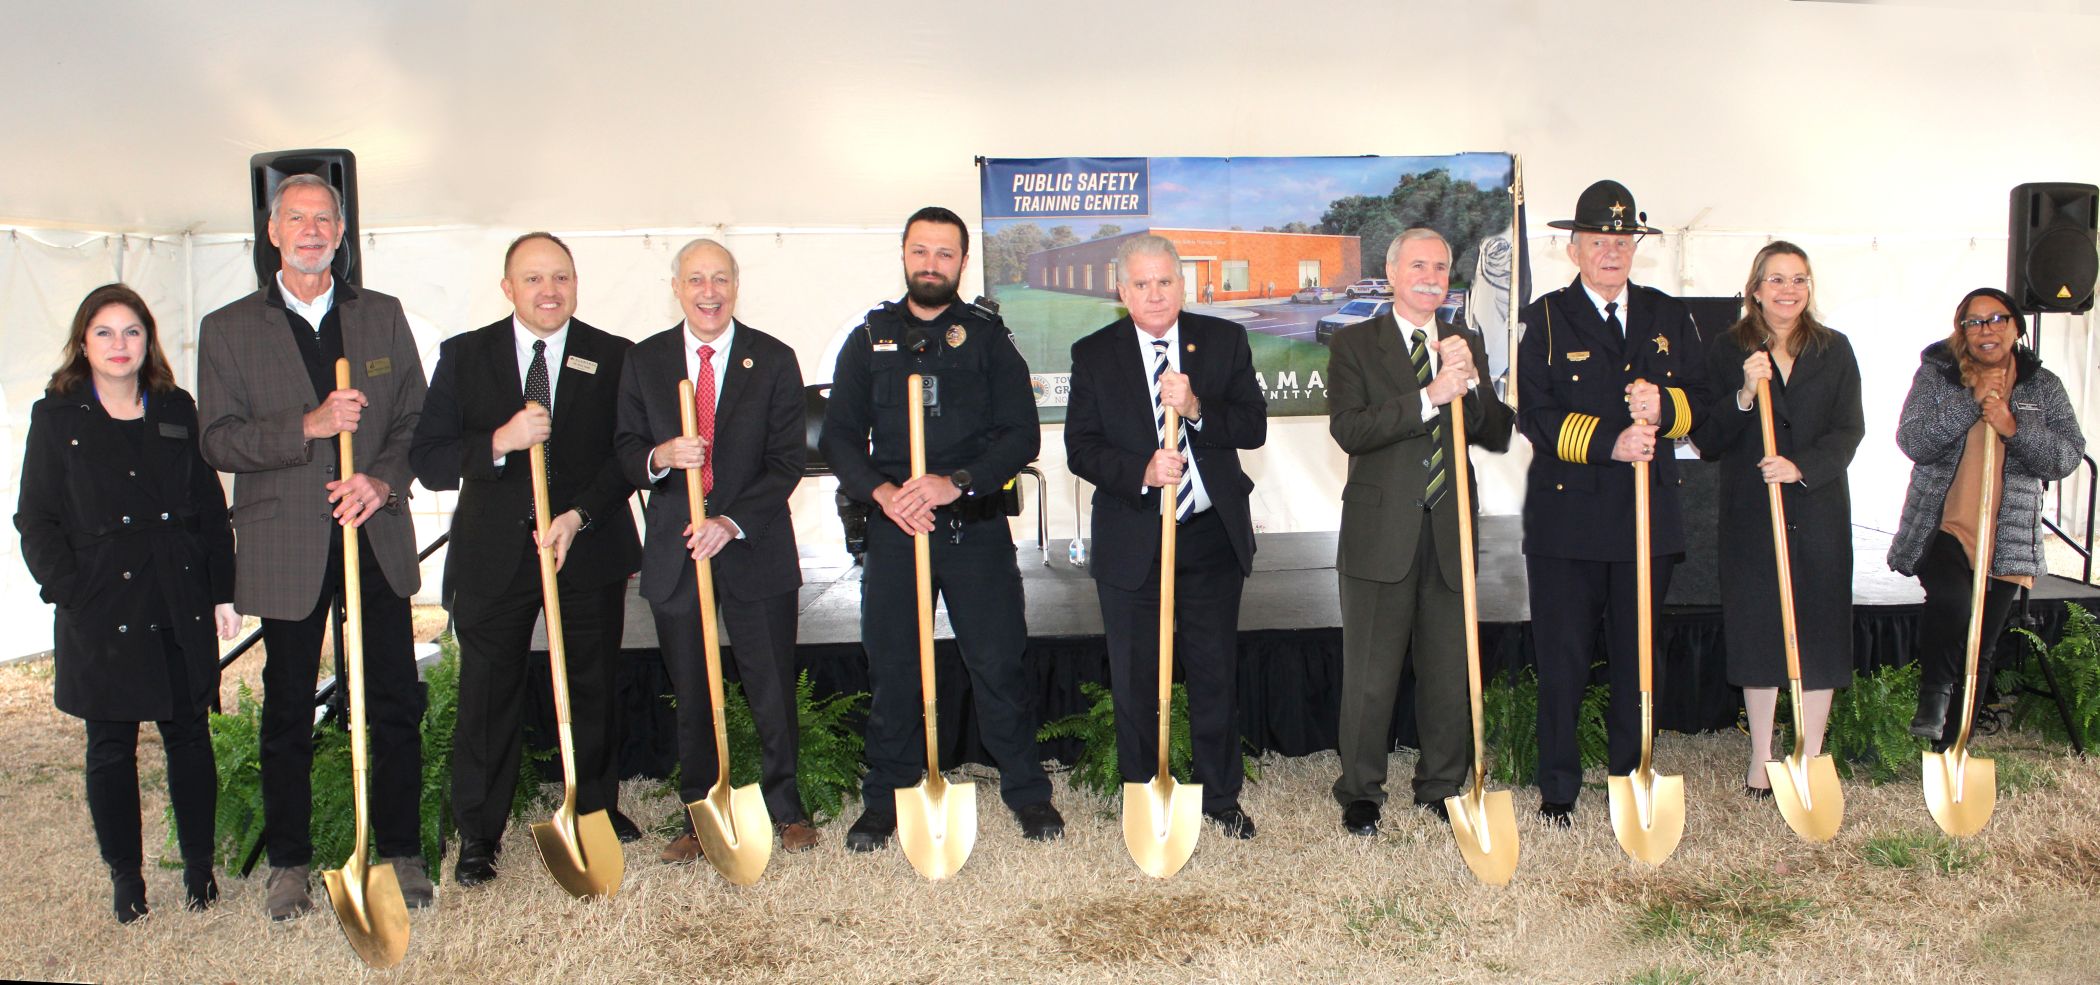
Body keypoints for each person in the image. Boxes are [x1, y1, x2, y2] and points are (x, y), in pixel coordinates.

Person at [197, 173, 431, 918]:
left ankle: (401, 848)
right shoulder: (229, 328)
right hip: (286, 544)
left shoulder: (383, 315)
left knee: (394, 696)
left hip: (374, 530)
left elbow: (414, 421)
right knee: (288, 705)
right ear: (272, 231)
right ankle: (291, 864)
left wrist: (380, 483)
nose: (310, 229)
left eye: (323, 218)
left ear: (341, 231)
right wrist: (309, 425)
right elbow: (218, 438)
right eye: (295, 217)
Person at [823, 206, 1064, 850]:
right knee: (894, 667)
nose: (932, 263)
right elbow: (839, 437)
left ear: (962, 262)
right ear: (904, 255)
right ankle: (885, 798)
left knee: (998, 662)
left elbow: (1021, 435)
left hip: (972, 528)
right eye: (920, 251)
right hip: (896, 529)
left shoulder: (988, 338)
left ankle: (1026, 792)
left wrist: (953, 482)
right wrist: (885, 493)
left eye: (945, 254)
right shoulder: (868, 337)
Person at [409, 232, 643, 887]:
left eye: (561, 277)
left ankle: (594, 806)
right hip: (494, 555)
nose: (550, 291)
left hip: (586, 545)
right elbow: (427, 459)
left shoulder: (612, 355)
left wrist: (578, 514)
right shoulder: (464, 356)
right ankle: (480, 833)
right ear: (507, 287)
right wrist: (500, 441)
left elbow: (627, 456)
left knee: (594, 681)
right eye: (534, 279)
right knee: (487, 695)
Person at [15, 284, 240, 922]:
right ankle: (127, 877)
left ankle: (199, 869)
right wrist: (68, 591)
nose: (120, 345)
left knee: (190, 736)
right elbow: (36, 517)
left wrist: (222, 590)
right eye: (105, 333)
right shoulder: (56, 416)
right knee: (109, 745)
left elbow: (207, 507)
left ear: (149, 340)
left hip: (176, 592)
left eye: (132, 331)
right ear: (82, 343)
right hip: (100, 601)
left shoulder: (176, 407)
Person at [1516, 179, 1711, 825]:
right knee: (1564, 659)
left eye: (1622, 240)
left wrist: (1667, 410)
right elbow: (1534, 415)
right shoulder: (1544, 318)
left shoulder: (1666, 314)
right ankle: (1558, 789)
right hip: (1567, 524)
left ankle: (1632, 776)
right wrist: (1610, 441)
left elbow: (1703, 403)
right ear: (1573, 249)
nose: (1611, 251)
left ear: (1636, 247)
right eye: (1598, 240)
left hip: (1645, 521)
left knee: (1637, 660)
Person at [615, 238, 818, 859]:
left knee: (771, 685)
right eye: (697, 279)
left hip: (753, 547)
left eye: (721, 279)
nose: (710, 292)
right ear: (676, 287)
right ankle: (699, 810)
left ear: (736, 285)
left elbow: (788, 462)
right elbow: (623, 448)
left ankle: (786, 808)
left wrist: (729, 521)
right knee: (693, 690)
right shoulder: (645, 361)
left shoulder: (773, 359)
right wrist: (659, 457)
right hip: (678, 556)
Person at [1066, 234, 1269, 838]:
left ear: (1184, 285)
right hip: (1134, 542)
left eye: (1166, 282)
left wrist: (1199, 406)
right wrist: (1141, 471)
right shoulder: (1094, 354)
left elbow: (1253, 427)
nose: (1156, 295)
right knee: (1133, 679)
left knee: (1213, 672)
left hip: (1209, 539)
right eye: (1142, 284)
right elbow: (1081, 448)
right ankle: (1142, 795)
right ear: (1121, 290)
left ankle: (1221, 799)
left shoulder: (1223, 341)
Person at [1324, 229, 1512, 835]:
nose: (1431, 276)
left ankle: (1442, 783)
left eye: (1440, 267)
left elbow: (1495, 432)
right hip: (1381, 531)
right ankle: (1359, 791)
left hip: (1450, 525)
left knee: (1447, 669)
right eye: (1418, 265)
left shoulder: (1467, 340)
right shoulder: (1356, 344)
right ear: (1392, 271)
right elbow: (1350, 430)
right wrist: (1430, 395)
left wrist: (1473, 385)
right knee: (1370, 673)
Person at [1691, 242, 1863, 796]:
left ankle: (1810, 753)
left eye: (1799, 279)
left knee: (1820, 628)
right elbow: (1707, 437)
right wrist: (1744, 393)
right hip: (1751, 511)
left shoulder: (1835, 350)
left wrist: (1801, 467)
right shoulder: (1726, 348)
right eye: (1777, 279)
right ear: (1756, 288)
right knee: (1758, 625)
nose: (1788, 290)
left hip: (1817, 508)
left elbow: (1848, 430)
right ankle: (1762, 755)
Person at [1889, 287, 2085, 748]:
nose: (1986, 329)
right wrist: (1968, 403)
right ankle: (1934, 696)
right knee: (1954, 604)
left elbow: (2065, 457)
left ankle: (1955, 741)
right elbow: (1913, 440)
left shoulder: (2042, 385)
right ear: (1962, 331)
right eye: (1974, 322)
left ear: (2016, 327)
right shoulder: (1939, 375)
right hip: (1946, 526)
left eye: (1997, 319)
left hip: (2010, 536)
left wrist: (2012, 427)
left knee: (1983, 642)